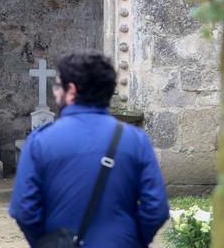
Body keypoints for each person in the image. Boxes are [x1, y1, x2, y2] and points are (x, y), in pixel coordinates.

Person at [9, 51, 169, 247]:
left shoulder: (40, 141)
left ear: (72, 91)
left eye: (58, 86)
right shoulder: (136, 140)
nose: (55, 92)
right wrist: (133, 240)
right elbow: (156, 208)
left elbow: (23, 209)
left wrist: (48, 242)